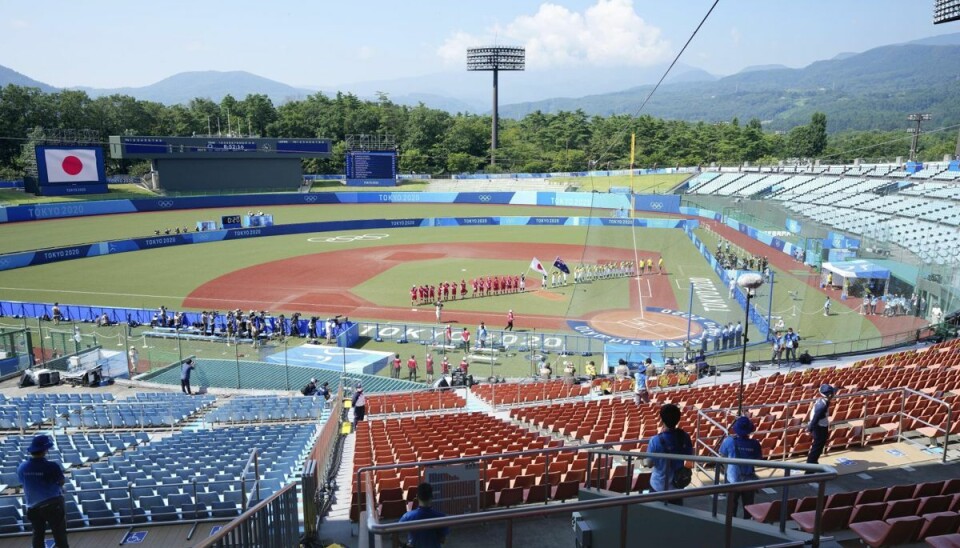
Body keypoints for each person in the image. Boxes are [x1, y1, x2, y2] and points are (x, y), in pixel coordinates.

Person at [18, 434, 69, 548]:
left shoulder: (22, 467)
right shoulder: (52, 466)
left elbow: (23, 482)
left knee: (37, 534)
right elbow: (61, 482)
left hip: (32, 507)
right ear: (45, 450)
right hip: (53, 505)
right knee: (59, 535)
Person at [644, 404, 693, 504]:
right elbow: (689, 457)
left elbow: (649, 463)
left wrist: (643, 461)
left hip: (658, 487)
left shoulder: (655, 440)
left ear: (661, 420)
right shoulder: (685, 437)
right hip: (677, 487)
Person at [718, 416, 763, 519]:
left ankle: (730, 528)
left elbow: (722, 454)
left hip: (732, 479)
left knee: (731, 508)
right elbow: (759, 459)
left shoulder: (728, 441)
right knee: (749, 508)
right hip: (749, 480)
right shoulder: (755, 444)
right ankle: (747, 527)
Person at [398, 482, 449, 548]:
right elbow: (442, 540)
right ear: (432, 496)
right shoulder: (441, 517)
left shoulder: (407, 516)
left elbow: (393, 534)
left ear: (417, 497)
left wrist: (404, 546)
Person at [806, 384, 835, 470]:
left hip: (821, 426)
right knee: (817, 448)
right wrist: (809, 429)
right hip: (819, 428)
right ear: (829, 395)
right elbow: (815, 418)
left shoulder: (823, 401)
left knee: (818, 446)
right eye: (833, 393)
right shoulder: (822, 406)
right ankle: (810, 466)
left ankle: (813, 462)